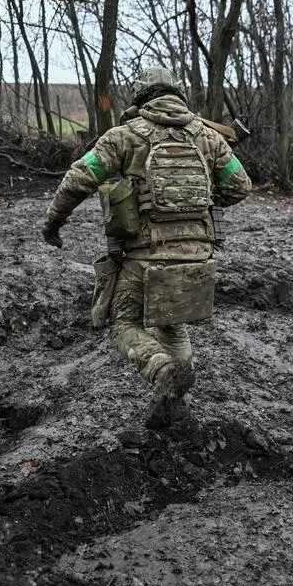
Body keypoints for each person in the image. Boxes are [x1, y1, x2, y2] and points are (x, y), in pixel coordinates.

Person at [41, 66, 251, 425]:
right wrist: (199, 203)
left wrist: (53, 222)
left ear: (141, 97)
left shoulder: (123, 137)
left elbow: (79, 177)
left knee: (122, 324)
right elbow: (240, 186)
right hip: (199, 257)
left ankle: (160, 368)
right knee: (173, 324)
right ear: (177, 95)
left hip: (145, 260)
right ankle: (174, 399)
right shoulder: (209, 138)